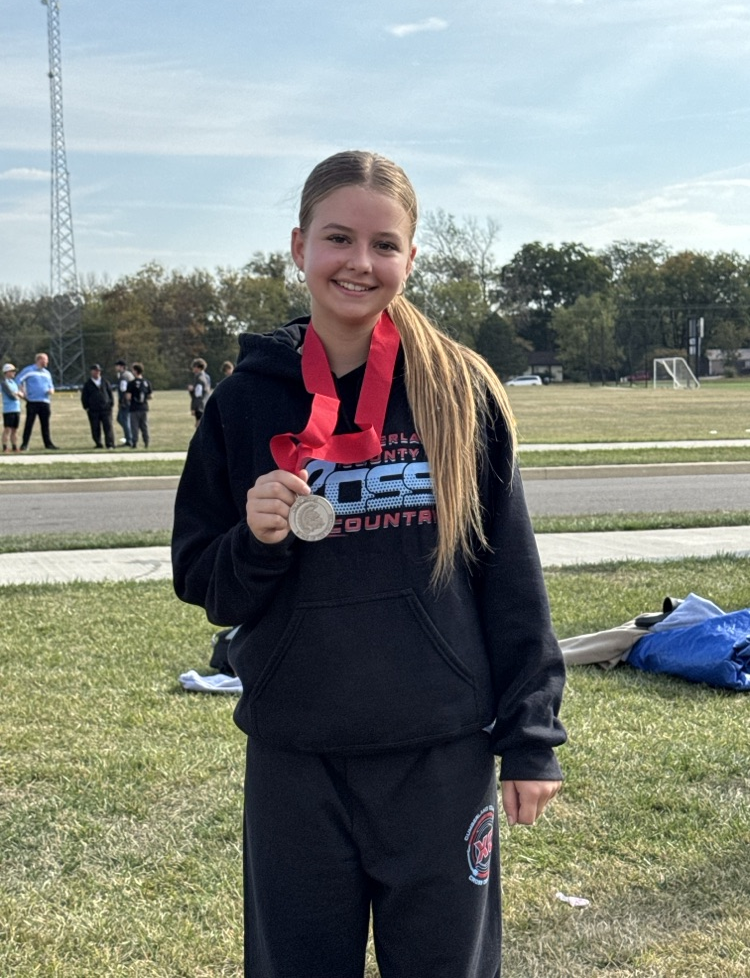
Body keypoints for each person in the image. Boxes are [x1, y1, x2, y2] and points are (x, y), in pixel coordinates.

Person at [171, 150, 566, 978]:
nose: (360, 262)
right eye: (338, 238)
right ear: (298, 246)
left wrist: (531, 737)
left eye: (384, 245)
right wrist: (255, 541)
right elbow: (203, 580)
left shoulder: (460, 391)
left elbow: (511, 578)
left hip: (442, 755)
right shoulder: (246, 400)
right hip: (296, 756)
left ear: (411, 258)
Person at [16, 352, 58, 451]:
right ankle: (25, 444)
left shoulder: (47, 373)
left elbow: (51, 385)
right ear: (39, 360)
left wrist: (51, 390)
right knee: (29, 423)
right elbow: (18, 380)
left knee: (45, 424)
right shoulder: (29, 370)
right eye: (45, 360)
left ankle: (48, 443)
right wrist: (22, 392)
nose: (47, 362)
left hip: (45, 401)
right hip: (32, 401)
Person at [80, 363, 115, 449]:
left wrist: (111, 404)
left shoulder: (105, 382)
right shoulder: (88, 384)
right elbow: (84, 397)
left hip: (106, 409)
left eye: (98, 371)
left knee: (108, 426)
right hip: (93, 410)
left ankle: (110, 443)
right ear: (91, 372)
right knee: (95, 427)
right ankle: (98, 443)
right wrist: (86, 407)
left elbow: (110, 394)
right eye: (95, 371)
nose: (97, 372)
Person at [126, 362, 152, 448]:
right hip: (144, 407)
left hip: (134, 408)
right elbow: (150, 396)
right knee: (144, 426)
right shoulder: (147, 382)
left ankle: (134, 443)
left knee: (135, 427)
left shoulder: (131, 383)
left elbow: (128, 396)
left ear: (135, 371)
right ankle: (146, 442)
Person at [1, 363, 25, 452]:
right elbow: (12, 395)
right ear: (7, 372)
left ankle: (15, 446)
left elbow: (18, 393)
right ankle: (5, 447)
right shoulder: (4, 383)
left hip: (16, 409)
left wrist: (18, 394)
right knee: (7, 429)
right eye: (12, 371)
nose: (14, 373)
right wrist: (17, 394)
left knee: (15, 429)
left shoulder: (14, 383)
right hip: (8, 410)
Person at [114, 359, 134, 446]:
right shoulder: (129, 374)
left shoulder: (124, 376)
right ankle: (129, 435)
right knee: (121, 419)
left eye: (117, 366)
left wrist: (122, 401)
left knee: (124, 420)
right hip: (130, 401)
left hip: (125, 402)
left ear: (121, 366)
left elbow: (123, 389)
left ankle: (129, 439)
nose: (116, 367)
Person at [187, 357, 211, 427]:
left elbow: (198, 395)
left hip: (200, 406)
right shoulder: (206, 377)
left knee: (199, 427)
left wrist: (193, 408)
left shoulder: (199, 379)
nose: (193, 369)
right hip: (205, 404)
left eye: (194, 367)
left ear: (198, 368)